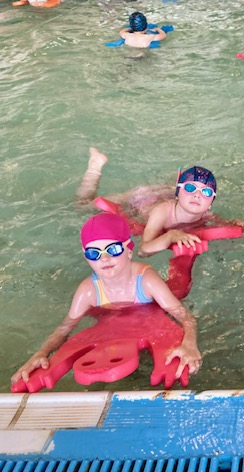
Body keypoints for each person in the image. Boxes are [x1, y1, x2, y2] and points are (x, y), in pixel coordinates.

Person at [10, 213, 202, 386]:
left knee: (180, 286)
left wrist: (189, 344)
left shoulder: (146, 281)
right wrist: (41, 353)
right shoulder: (88, 291)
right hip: (114, 326)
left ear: (129, 250)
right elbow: (64, 329)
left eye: (113, 249)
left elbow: (186, 317)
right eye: (94, 253)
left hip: (152, 310)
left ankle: (185, 256)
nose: (104, 259)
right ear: (87, 258)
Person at [76, 147, 217, 257]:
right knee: (82, 205)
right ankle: (94, 167)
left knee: (175, 187)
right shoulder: (162, 212)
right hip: (140, 198)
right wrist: (170, 236)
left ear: (210, 202)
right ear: (179, 194)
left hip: (166, 194)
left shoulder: (207, 215)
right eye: (190, 188)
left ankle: (178, 183)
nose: (197, 195)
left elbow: (226, 228)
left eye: (206, 192)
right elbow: (143, 250)